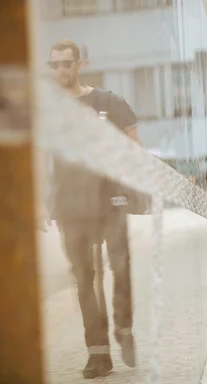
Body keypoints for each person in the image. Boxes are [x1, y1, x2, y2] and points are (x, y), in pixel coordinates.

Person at [47, 39, 138, 378]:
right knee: (85, 280)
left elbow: (133, 148)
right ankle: (97, 352)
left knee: (121, 266)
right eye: (54, 64)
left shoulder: (107, 102)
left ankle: (124, 328)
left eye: (66, 63)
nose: (60, 70)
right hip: (70, 207)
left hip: (109, 203)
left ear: (80, 64)